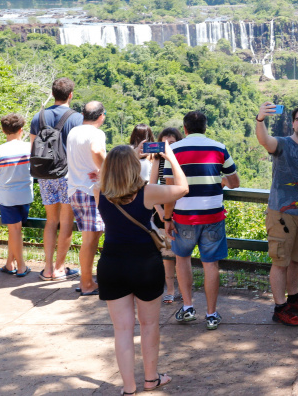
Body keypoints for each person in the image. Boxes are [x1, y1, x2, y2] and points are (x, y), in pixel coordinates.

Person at [96, 143, 189, 395]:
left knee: (122, 330)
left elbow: (110, 175)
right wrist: (170, 156)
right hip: (145, 265)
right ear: (134, 166)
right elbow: (183, 188)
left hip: (112, 265)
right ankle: (151, 379)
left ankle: (129, 388)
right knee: (149, 325)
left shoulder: (99, 191)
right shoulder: (147, 193)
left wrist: (126, 155)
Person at [164, 111, 240, 330]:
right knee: (211, 264)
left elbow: (170, 190)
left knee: (182, 259)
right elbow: (235, 182)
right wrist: (221, 181)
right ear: (205, 127)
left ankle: (188, 307)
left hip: (183, 217)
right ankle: (211, 314)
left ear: (184, 129)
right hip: (213, 216)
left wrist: (167, 218)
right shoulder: (219, 148)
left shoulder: (173, 150)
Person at [255, 104, 298, 326]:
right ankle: (280, 308)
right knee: (280, 262)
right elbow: (264, 140)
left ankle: (293, 299)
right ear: (292, 123)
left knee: (296, 260)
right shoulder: (282, 144)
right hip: (281, 214)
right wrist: (260, 119)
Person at [30, 77, 83, 281]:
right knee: (66, 222)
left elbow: (33, 148)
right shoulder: (76, 118)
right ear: (71, 95)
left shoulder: (38, 117)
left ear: (52, 94)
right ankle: (60, 269)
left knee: (51, 220)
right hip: (68, 175)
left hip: (45, 175)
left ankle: (47, 269)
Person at [66, 101, 108, 296]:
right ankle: (87, 284)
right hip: (90, 191)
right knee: (91, 241)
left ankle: (86, 279)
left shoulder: (74, 131)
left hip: (74, 189)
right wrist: (107, 170)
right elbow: (97, 151)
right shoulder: (96, 133)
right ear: (101, 116)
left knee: (87, 239)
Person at [0, 114, 34, 277]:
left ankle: (21, 267)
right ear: (21, 130)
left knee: (14, 230)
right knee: (16, 231)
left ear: (3, 130)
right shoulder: (30, 148)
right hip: (25, 195)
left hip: (7, 196)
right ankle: (9, 264)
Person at [149, 127, 184, 304]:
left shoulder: (182, 158)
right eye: (164, 143)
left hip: (182, 209)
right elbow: (151, 187)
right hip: (163, 212)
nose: (168, 146)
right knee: (167, 255)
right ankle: (170, 290)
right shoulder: (158, 161)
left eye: (171, 143)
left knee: (182, 255)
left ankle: (184, 291)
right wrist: (161, 211)